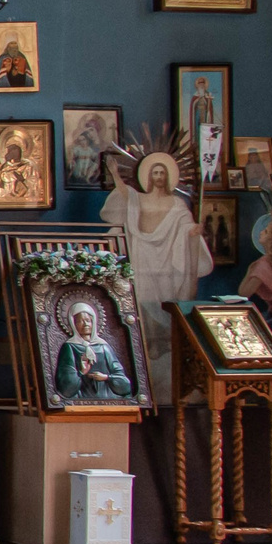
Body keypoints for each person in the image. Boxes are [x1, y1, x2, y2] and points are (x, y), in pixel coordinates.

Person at [100, 153, 212, 399]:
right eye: (155, 172)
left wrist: (195, 231)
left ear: (169, 177)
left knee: (165, 310)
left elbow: (186, 228)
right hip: (142, 258)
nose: (159, 176)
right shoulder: (139, 199)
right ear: (149, 177)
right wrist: (115, 174)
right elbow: (126, 196)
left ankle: (166, 356)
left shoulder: (177, 205)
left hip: (166, 268)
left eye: (163, 173)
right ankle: (143, 356)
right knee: (142, 306)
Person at [53, 304, 134, 403]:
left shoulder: (104, 347)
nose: (85, 324)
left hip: (109, 399)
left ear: (93, 322)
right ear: (73, 324)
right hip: (81, 399)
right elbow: (65, 389)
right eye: (80, 321)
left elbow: (125, 384)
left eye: (88, 320)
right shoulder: (69, 347)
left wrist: (106, 377)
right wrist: (81, 372)